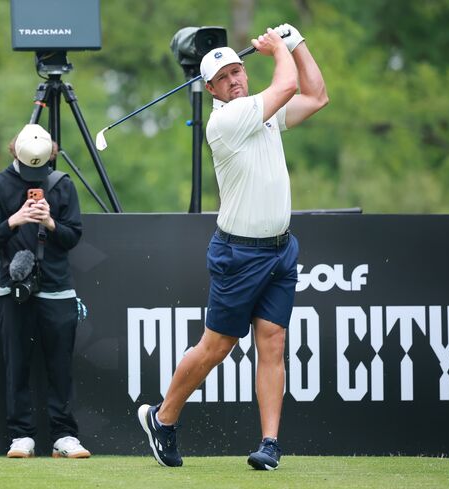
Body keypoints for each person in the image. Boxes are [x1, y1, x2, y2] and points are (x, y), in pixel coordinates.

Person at [138, 24, 328, 470]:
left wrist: (298, 42)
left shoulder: (263, 112)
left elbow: (316, 96)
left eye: (237, 71)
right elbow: (288, 85)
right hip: (239, 254)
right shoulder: (226, 121)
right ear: (211, 89)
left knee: (273, 342)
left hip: (280, 249)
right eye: (223, 78)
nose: (234, 80)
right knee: (216, 347)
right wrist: (279, 48)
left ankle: (269, 444)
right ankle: (162, 419)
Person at [0, 124, 90, 459]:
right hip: (12, 290)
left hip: (57, 288)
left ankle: (64, 436)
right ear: (15, 153)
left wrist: (50, 222)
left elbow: (73, 236)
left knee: (60, 367)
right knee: (17, 365)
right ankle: (21, 436)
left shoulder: (62, 184)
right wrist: (14, 220)